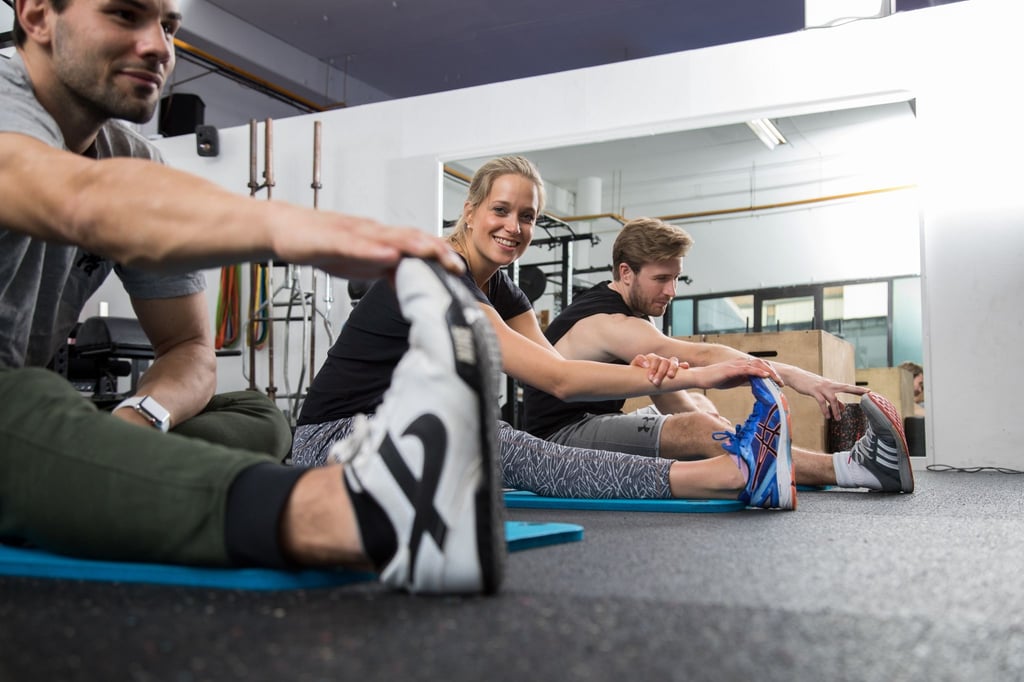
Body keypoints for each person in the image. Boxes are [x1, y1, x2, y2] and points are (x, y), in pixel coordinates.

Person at [0, 0, 505, 595]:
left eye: (168, 25)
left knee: (258, 417)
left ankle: (101, 468)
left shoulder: (130, 155)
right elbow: (73, 195)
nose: (158, 46)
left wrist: (142, 415)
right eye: (124, 15)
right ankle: (349, 515)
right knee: (23, 400)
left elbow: (189, 348)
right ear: (36, 17)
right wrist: (289, 229)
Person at [294, 155, 798, 509]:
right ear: (469, 212)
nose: (514, 227)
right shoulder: (438, 267)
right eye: (500, 210)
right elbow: (559, 383)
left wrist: (657, 374)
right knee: (491, 441)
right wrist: (698, 378)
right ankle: (721, 477)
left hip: (403, 431)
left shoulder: (506, 292)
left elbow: (557, 373)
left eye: (527, 216)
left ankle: (733, 475)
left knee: (503, 442)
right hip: (332, 440)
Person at [521, 217, 915, 495]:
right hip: (557, 442)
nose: (672, 290)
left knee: (703, 423)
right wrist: (798, 376)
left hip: (590, 424)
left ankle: (823, 464)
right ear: (626, 273)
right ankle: (852, 468)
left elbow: (667, 386)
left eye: (675, 277)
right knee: (698, 429)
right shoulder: (610, 322)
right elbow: (704, 355)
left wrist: (718, 425)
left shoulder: (630, 319)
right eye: (661, 278)